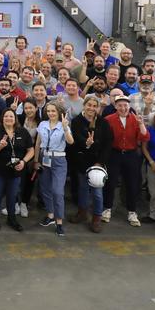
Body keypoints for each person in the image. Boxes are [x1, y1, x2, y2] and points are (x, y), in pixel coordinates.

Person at [101, 94, 147, 226]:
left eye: (125, 105)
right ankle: (107, 208)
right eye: (120, 105)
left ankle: (132, 212)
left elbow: (144, 137)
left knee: (132, 184)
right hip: (114, 154)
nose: (123, 108)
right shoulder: (108, 119)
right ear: (115, 106)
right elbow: (103, 138)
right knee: (110, 182)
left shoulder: (135, 119)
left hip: (131, 155)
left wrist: (141, 124)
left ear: (129, 106)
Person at [0, 109, 32, 232]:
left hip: (16, 170)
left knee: (13, 195)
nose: (9, 118)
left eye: (11, 116)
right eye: (6, 116)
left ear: (15, 118)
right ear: (2, 118)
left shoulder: (22, 131)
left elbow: (31, 150)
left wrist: (24, 162)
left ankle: (12, 219)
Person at [69, 96, 109, 232]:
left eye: (94, 106)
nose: (91, 108)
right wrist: (86, 143)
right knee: (83, 189)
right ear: (84, 105)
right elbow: (75, 140)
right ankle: (82, 213)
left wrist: (100, 162)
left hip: (97, 164)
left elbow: (107, 144)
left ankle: (96, 218)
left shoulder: (103, 123)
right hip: (81, 162)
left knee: (97, 193)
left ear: (98, 107)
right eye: (89, 105)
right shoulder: (76, 121)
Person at [35, 102, 74, 236]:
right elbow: (38, 143)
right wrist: (35, 160)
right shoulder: (42, 124)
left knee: (58, 191)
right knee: (45, 189)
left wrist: (65, 128)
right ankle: (50, 215)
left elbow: (70, 142)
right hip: (44, 159)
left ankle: (59, 221)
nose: (51, 113)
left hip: (59, 160)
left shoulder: (64, 124)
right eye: (49, 111)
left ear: (59, 112)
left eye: (54, 111)